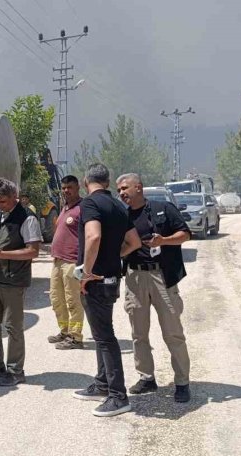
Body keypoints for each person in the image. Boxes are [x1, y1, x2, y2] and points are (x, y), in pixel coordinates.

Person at [116, 173, 193, 403]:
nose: (121, 193)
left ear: (138, 187)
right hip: (134, 277)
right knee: (138, 333)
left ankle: (182, 382)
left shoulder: (163, 208)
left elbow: (185, 234)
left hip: (162, 276)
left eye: (125, 188)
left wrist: (163, 241)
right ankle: (146, 377)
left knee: (172, 332)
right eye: (118, 190)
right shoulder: (122, 216)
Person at [72, 164, 141, 417]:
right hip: (111, 278)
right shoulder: (119, 206)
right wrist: (113, 256)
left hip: (96, 281)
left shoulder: (90, 203)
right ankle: (102, 384)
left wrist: (86, 272)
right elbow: (134, 242)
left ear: (85, 181)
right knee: (102, 335)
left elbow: (93, 237)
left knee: (104, 338)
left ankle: (118, 396)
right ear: (108, 182)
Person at [0, 178, 42, 387]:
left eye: (3, 201)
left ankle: (15, 370)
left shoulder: (27, 218)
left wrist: (2, 254)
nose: (0, 205)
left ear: (15, 197)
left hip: (13, 280)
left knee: (13, 327)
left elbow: (33, 251)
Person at [48, 175, 86, 350]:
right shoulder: (65, 208)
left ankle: (76, 337)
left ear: (78, 187)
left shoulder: (82, 208)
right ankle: (64, 331)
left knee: (73, 300)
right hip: (58, 261)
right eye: (63, 188)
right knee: (57, 299)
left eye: (70, 187)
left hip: (72, 262)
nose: (66, 191)